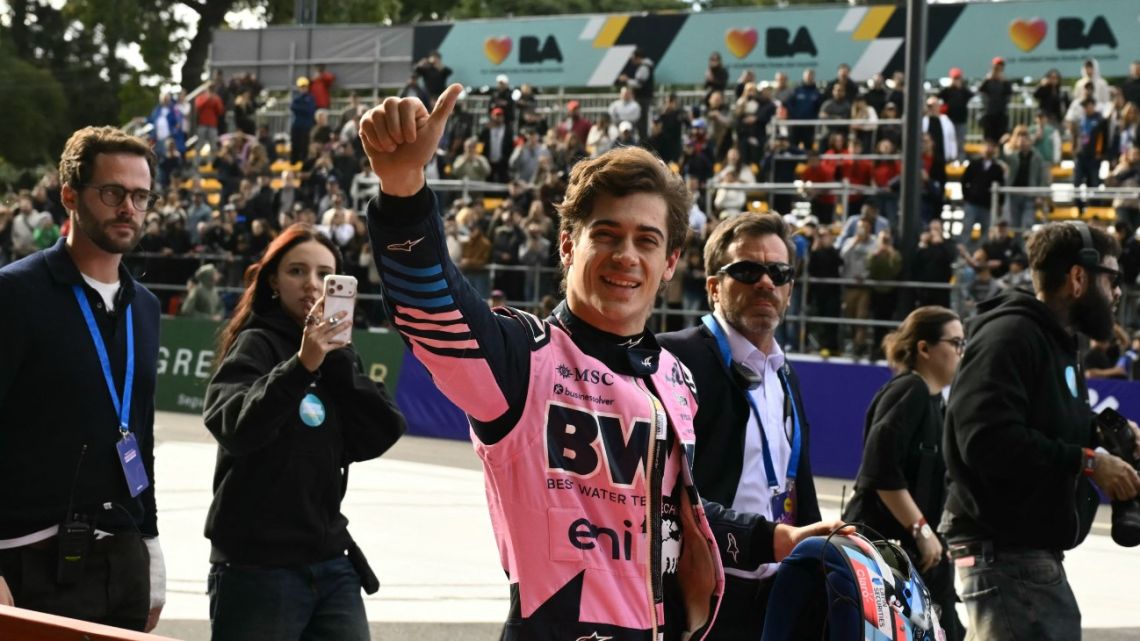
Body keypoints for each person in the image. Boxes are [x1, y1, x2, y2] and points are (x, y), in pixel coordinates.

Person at [360, 84, 813, 640]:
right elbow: (434, 313)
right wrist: (404, 189)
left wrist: (777, 539)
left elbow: (668, 518)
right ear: (568, 246)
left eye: (647, 241)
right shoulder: (527, 358)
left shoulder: (673, 378)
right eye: (606, 234)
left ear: (670, 262)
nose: (627, 255)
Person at [203, 224, 406, 640]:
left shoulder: (339, 356)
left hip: (331, 562)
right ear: (274, 281)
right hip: (257, 567)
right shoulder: (255, 344)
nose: (311, 285)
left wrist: (332, 360)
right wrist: (301, 365)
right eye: (297, 271)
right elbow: (235, 427)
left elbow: (380, 431)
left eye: (324, 275)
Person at [941, 221, 1140, 641]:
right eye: (1114, 279)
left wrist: (1100, 437)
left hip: (1022, 558)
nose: (1118, 293)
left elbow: (1038, 426)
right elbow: (985, 440)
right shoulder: (1011, 335)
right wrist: (1088, 461)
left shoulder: (1055, 343)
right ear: (1079, 277)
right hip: (1007, 555)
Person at [0, 126, 165, 631]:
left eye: (140, 196)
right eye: (113, 192)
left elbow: (139, 432)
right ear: (70, 195)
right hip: (30, 561)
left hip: (124, 557)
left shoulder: (146, 306)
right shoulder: (15, 294)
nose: (128, 208)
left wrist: (152, 545)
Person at [657, 214, 840, 639]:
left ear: (790, 290)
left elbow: (797, 487)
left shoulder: (784, 374)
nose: (765, 282)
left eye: (778, 272)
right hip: (700, 592)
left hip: (775, 591)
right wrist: (769, 538)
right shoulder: (673, 359)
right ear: (712, 286)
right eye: (746, 270)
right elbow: (664, 495)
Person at [842, 306, 967, 641]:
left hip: (916, 558)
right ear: (924, 349)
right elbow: (879, 466)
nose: (961, 352)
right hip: (888, 553)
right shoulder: (909, 390)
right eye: (955, 343)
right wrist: (921, 529)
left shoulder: (935, 404)